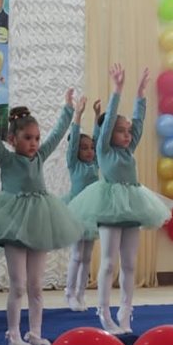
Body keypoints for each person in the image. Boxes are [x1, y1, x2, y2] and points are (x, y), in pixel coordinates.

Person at [0, 82, 83, 345]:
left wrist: (68, 108)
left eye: (36, 138)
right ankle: (13, 334)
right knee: (18, 285)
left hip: (40, 221)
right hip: (13, 223)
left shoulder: (40, 156)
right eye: (28, 138)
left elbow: (57, 134)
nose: (34, 143)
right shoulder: (6, 158)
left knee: (36, 286)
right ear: (12, 139)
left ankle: (35, 333)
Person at [68, 65, 173, 335]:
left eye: (128, 131)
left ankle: (125, 311)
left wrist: (140, 94)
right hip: (109, 205)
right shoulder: (103, 149)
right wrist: (118, 89)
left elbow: (138, 121)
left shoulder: (129, 149)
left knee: (129, 263)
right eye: (121, 131)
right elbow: (108, 124)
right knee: (108, 263)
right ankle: (103, 311)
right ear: (108, 134)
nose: (127, 135)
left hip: (133, 205)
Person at [63, 92, 100, 311]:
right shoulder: (74, 164)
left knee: (87, 257)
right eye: (84, 148)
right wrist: (78, 114)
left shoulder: (95, 163)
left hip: (93, 212)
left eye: (91, 148)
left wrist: (96, 117)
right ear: (76, 150)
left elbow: (99, 140)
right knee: (77, 255)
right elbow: (74, 139)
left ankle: (81, 293)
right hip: (77, 212)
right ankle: (69, 293)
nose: (89, 151)